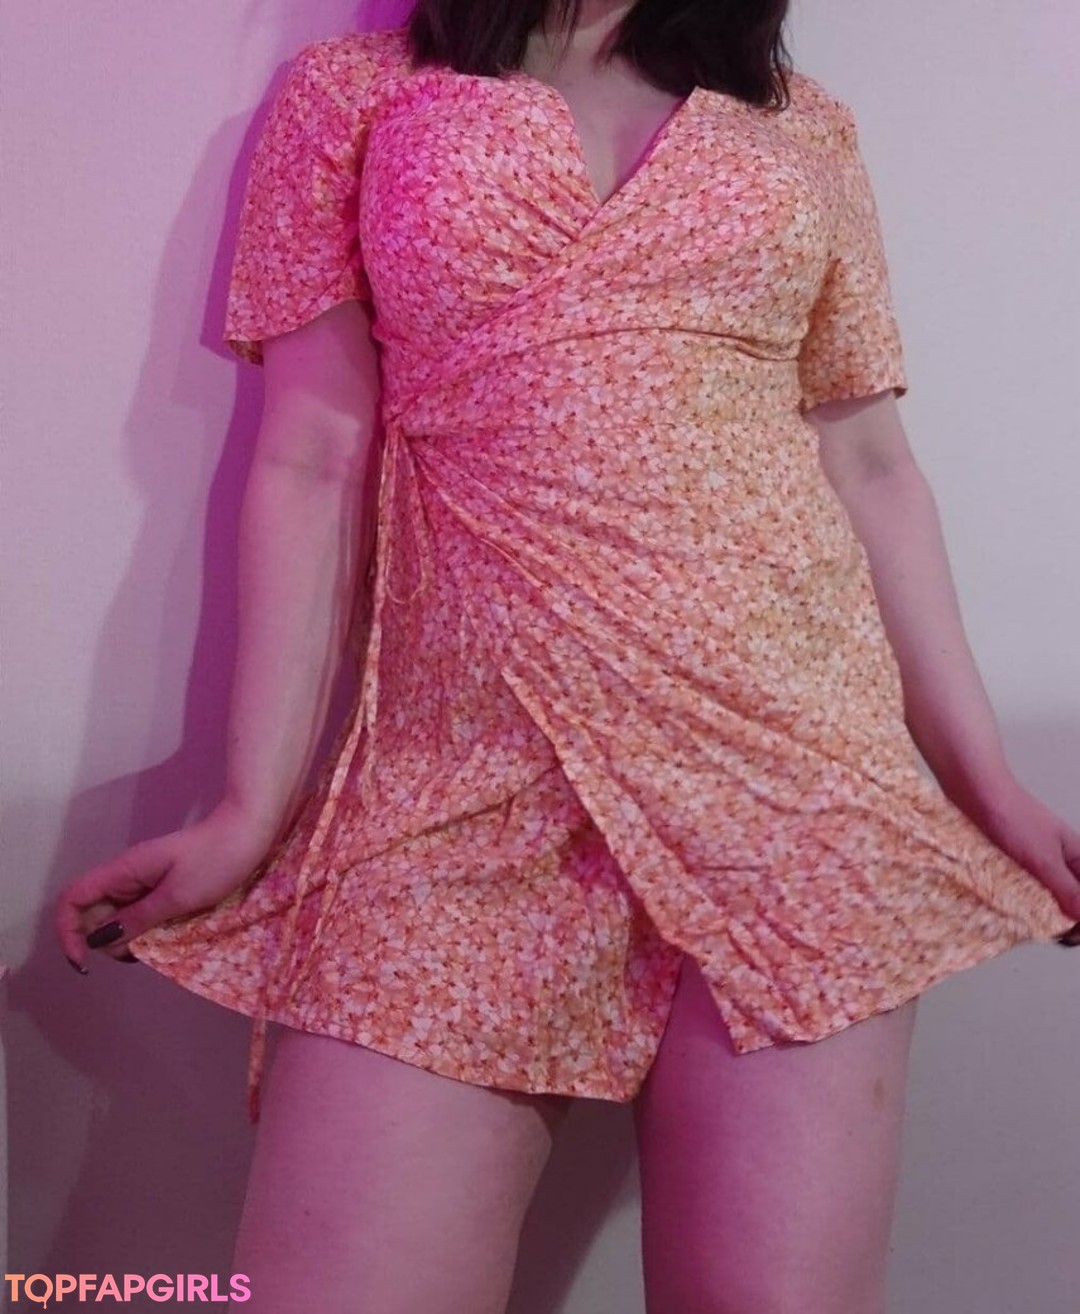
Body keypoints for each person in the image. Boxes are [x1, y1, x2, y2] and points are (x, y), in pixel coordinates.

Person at [55, 2, 1080, 1311]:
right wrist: (251, 809)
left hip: (795, 785)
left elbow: (869, 461)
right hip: (456, 777)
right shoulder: (355, 96)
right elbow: (312, 452)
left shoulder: (803, 126)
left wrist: (987, 788)